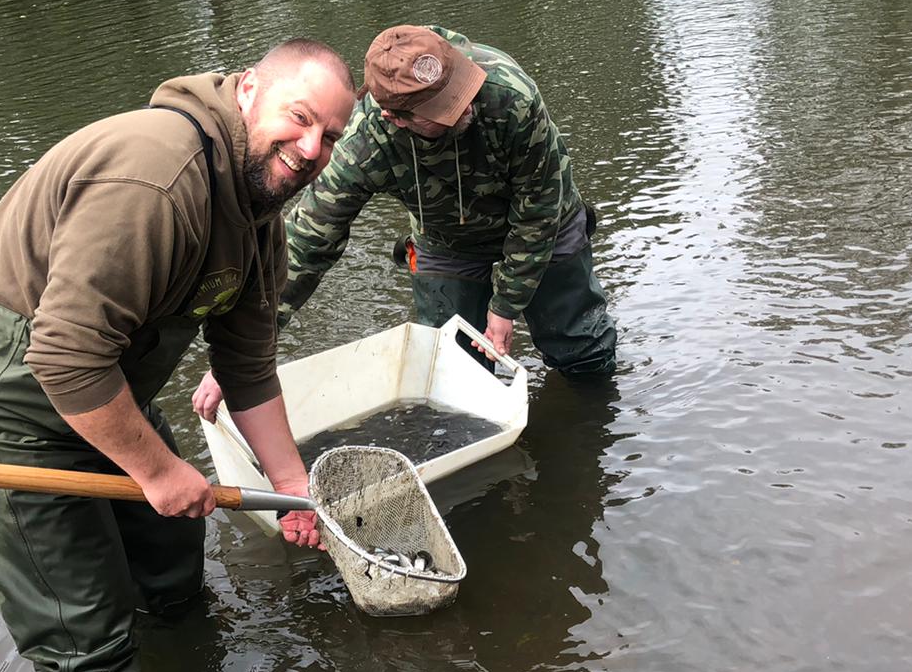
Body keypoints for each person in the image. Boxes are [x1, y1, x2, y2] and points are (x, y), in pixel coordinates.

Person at [0, 39, 355, 672]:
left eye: (330, 136)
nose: (310, 147)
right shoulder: (160, 177)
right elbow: (63, 357)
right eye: (299, 117)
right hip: (0, 397)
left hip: (103, 386)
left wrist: (290, 485)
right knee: (85, 627)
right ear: (246, 93)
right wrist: (159, 470)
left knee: (172, 558)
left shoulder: (258, 214)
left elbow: (247, 365)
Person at [191, 24, 616, 423]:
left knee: (581, 348)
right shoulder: (363, 145)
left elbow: (538, 205)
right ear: (396, 118)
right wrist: (238, 360)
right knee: (454, 368)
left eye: (459, 91)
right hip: (447, 240)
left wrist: (505, 306)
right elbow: (307, 245)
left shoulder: (510, 95)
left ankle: (591, 426)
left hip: (547, 222)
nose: (464, 105)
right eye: (444, 109)